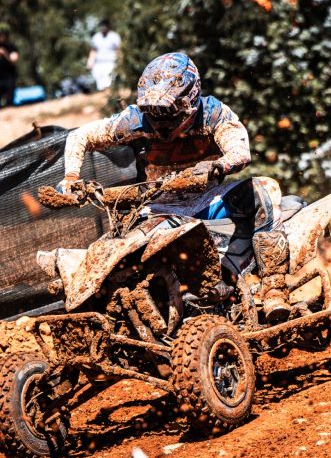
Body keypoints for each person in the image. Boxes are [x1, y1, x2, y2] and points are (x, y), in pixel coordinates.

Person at [57, 52, 291, 322]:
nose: (161, 122)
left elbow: (240, 150)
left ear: (190, 100)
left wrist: (218, 166)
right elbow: (80, 136)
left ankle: (274, 287)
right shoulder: (133, 120)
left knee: (265, 188)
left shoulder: (213, 114)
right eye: (152, 112)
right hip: (158, 207)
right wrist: (71, 177)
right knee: (119, 250)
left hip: (208, 199)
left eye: (168, 112)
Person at [87, 19, 121, 91]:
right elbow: (93, 51)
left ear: (108, 26)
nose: (103, 27)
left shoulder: (114, 36)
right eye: (102, 26)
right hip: (98, 64)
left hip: (110, 63)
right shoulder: (96, 37)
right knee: (100, 85)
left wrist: (120, 61)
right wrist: (90, 61)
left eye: (105, 26)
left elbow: (118, 50)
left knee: (108, 83)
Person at [0, 23, 19, 107]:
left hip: (9, 78)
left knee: (9, 102)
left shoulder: (11, 47)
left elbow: (14, 60)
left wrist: (4, 54)